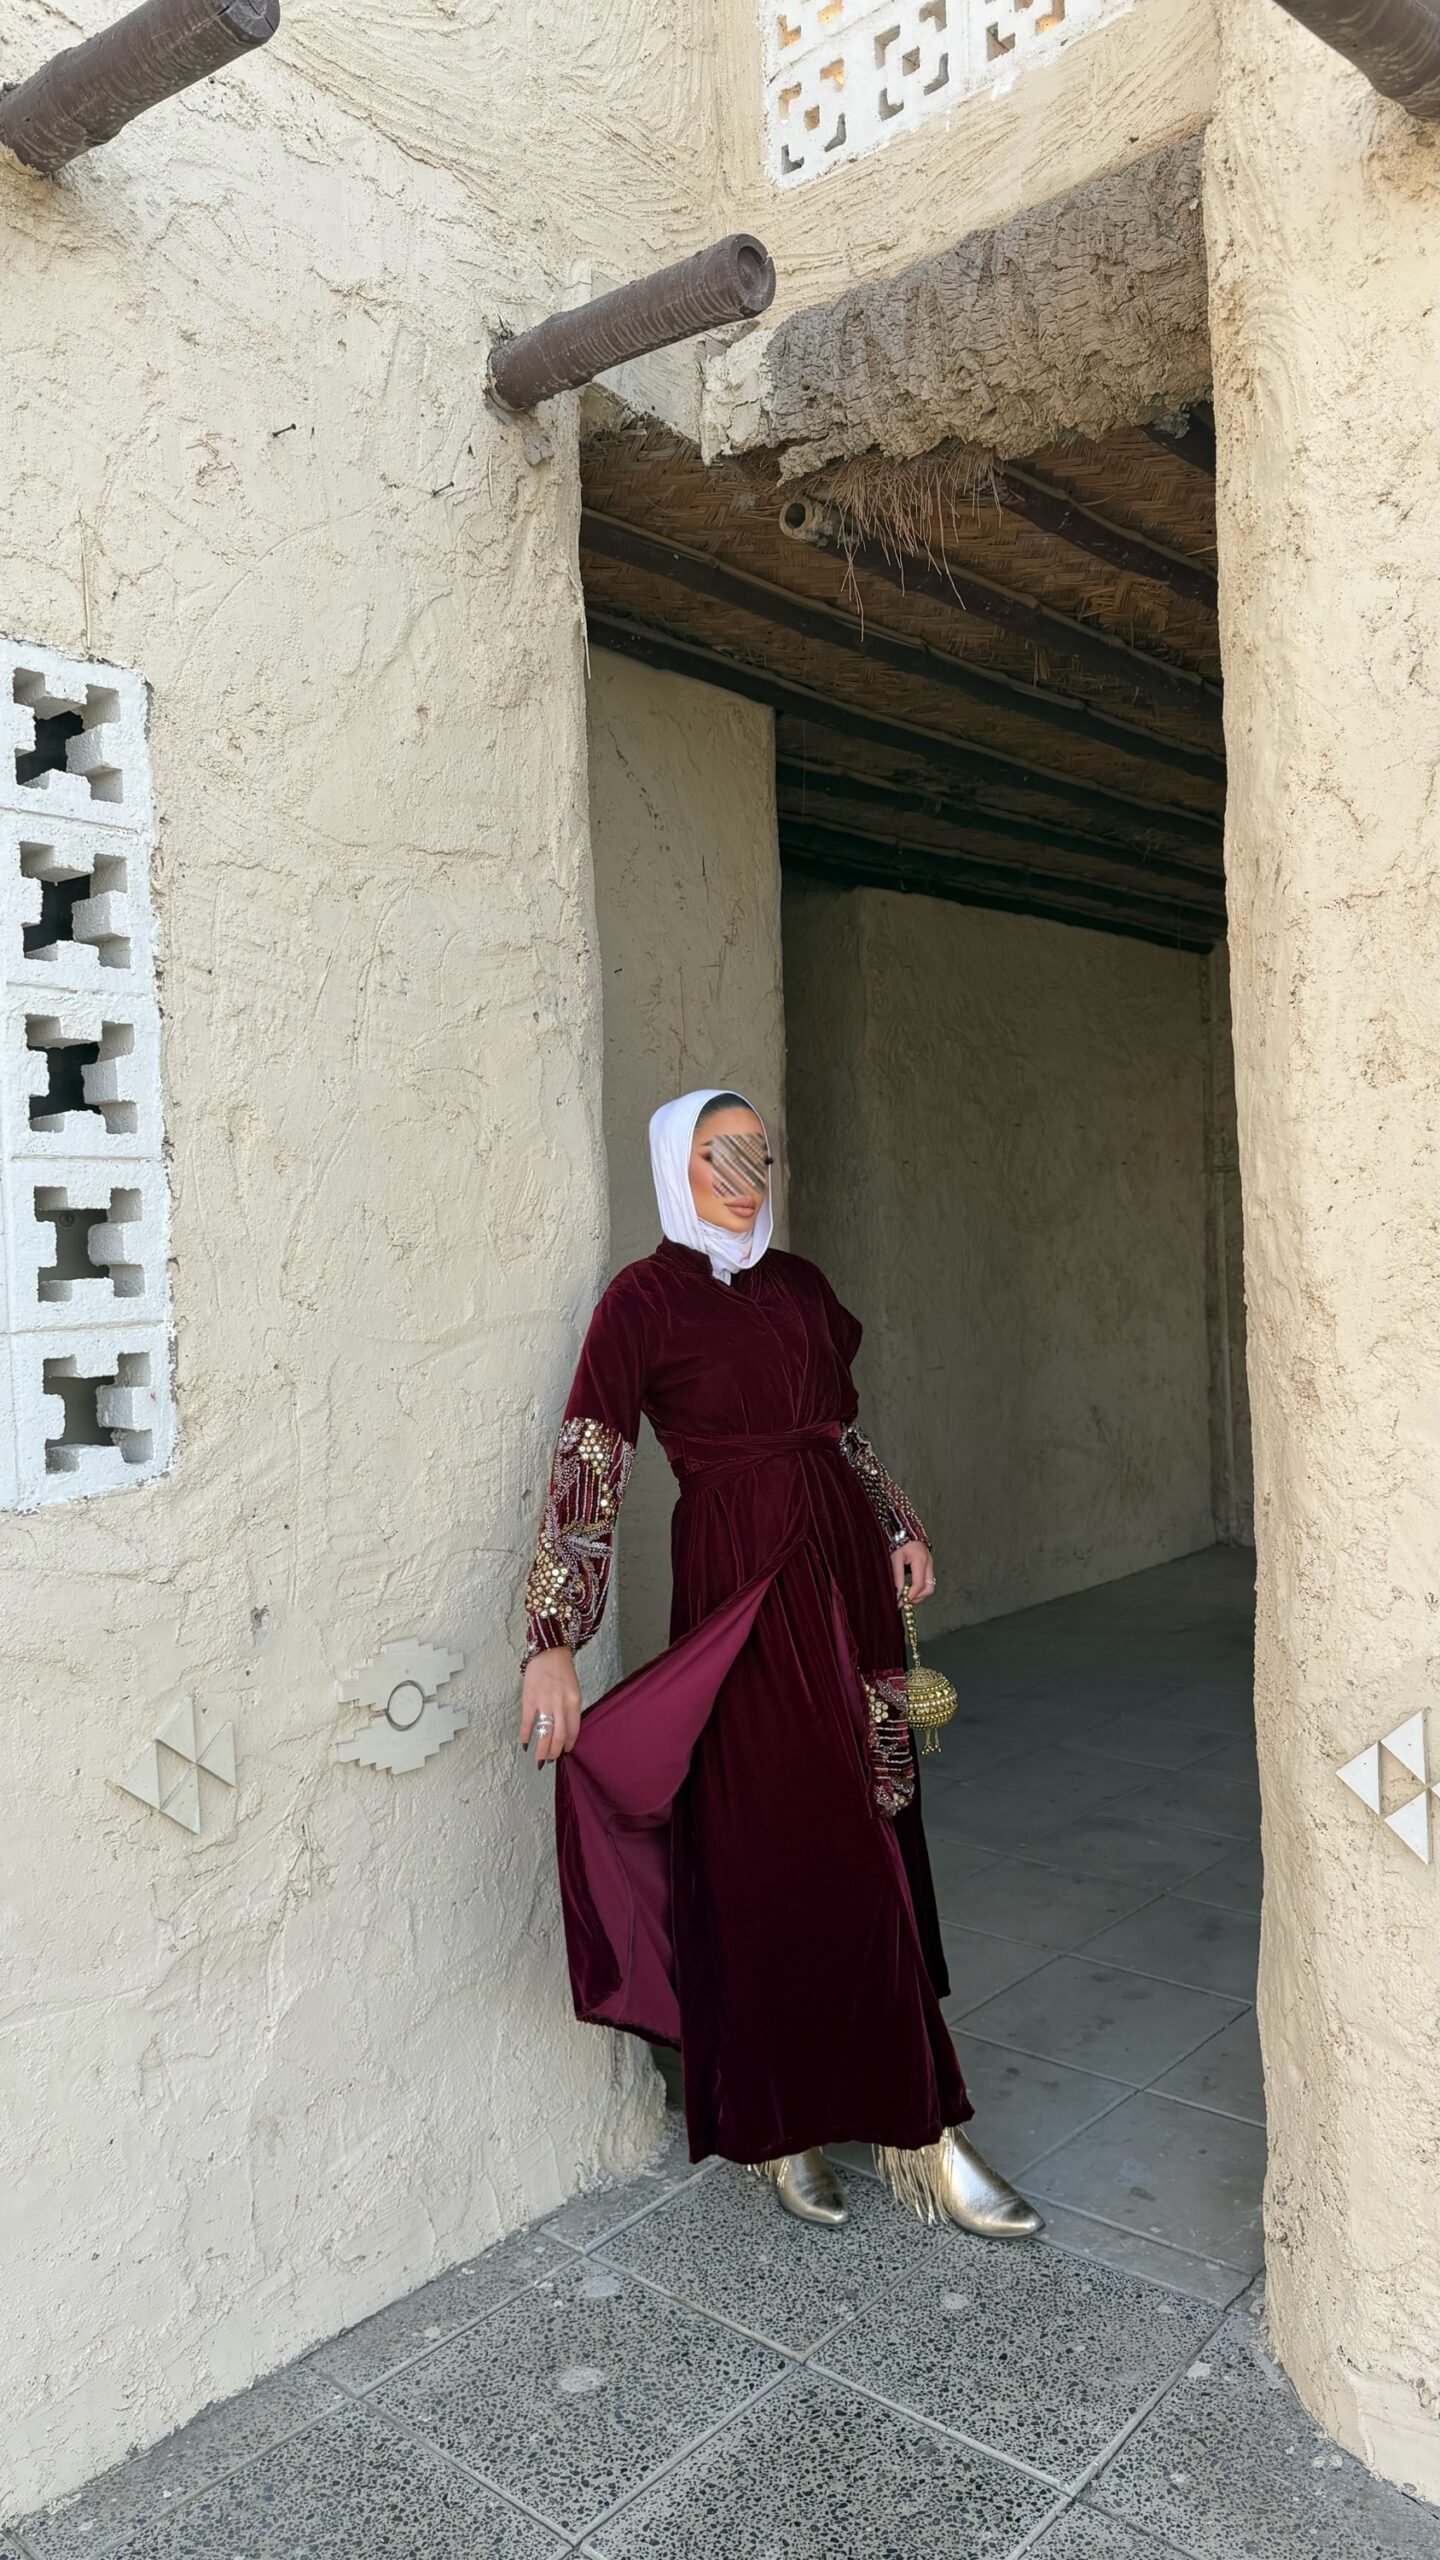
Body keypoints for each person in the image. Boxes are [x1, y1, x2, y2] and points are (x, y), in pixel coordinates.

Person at [519, 1087, 1040, 2236]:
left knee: (878, 1830)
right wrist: (553, 1636)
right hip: (741, 1591)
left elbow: (840, 1431)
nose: (745, 1174)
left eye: (759, 1152)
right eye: (720, 1154)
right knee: (774, 1848)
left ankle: (909, 2122)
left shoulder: (800, 1286)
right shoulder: (643, 1300)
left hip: (845, 1580)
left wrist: (894, 1522)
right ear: (677, 1166)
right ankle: (804, 2123)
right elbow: (591, 1459)